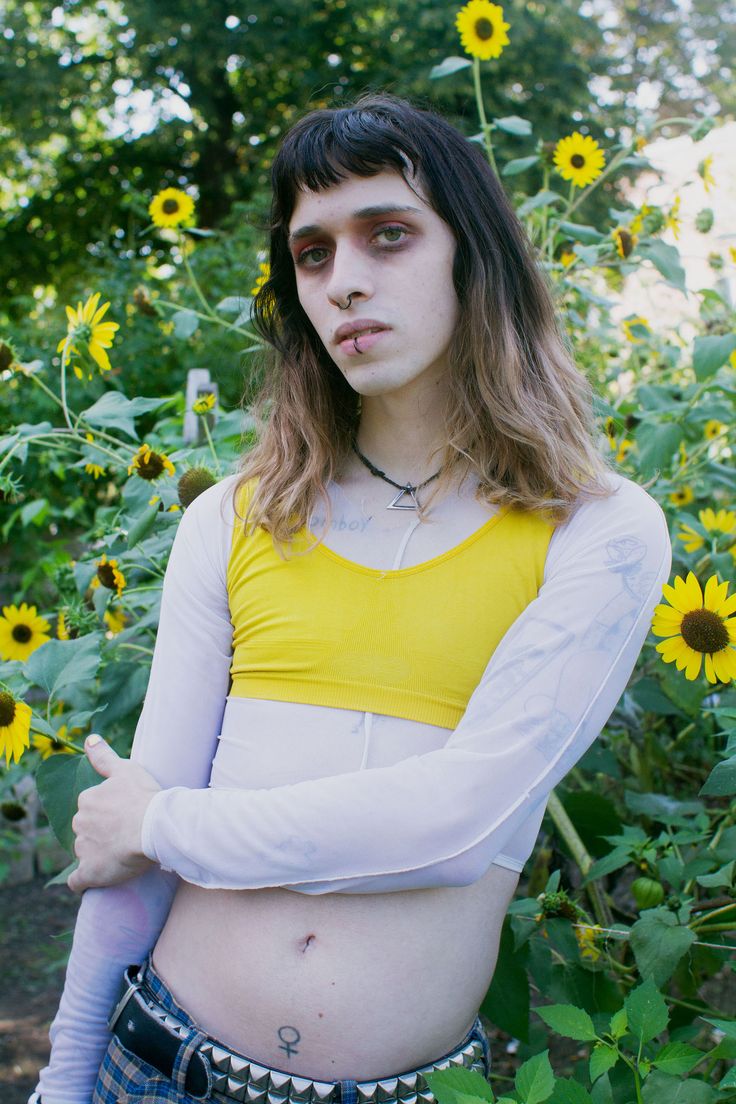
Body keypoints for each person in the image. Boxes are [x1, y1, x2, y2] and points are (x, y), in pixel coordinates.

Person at [30, 93, 672, 1104]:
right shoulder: (237, 520)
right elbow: (124, 868)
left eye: (389, 234)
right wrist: (64, 1081)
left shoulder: (596, 530)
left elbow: (452, 826)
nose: (346, 282)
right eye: (313, 252)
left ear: (475, 258)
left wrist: (165, 824)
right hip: (152, 1067)